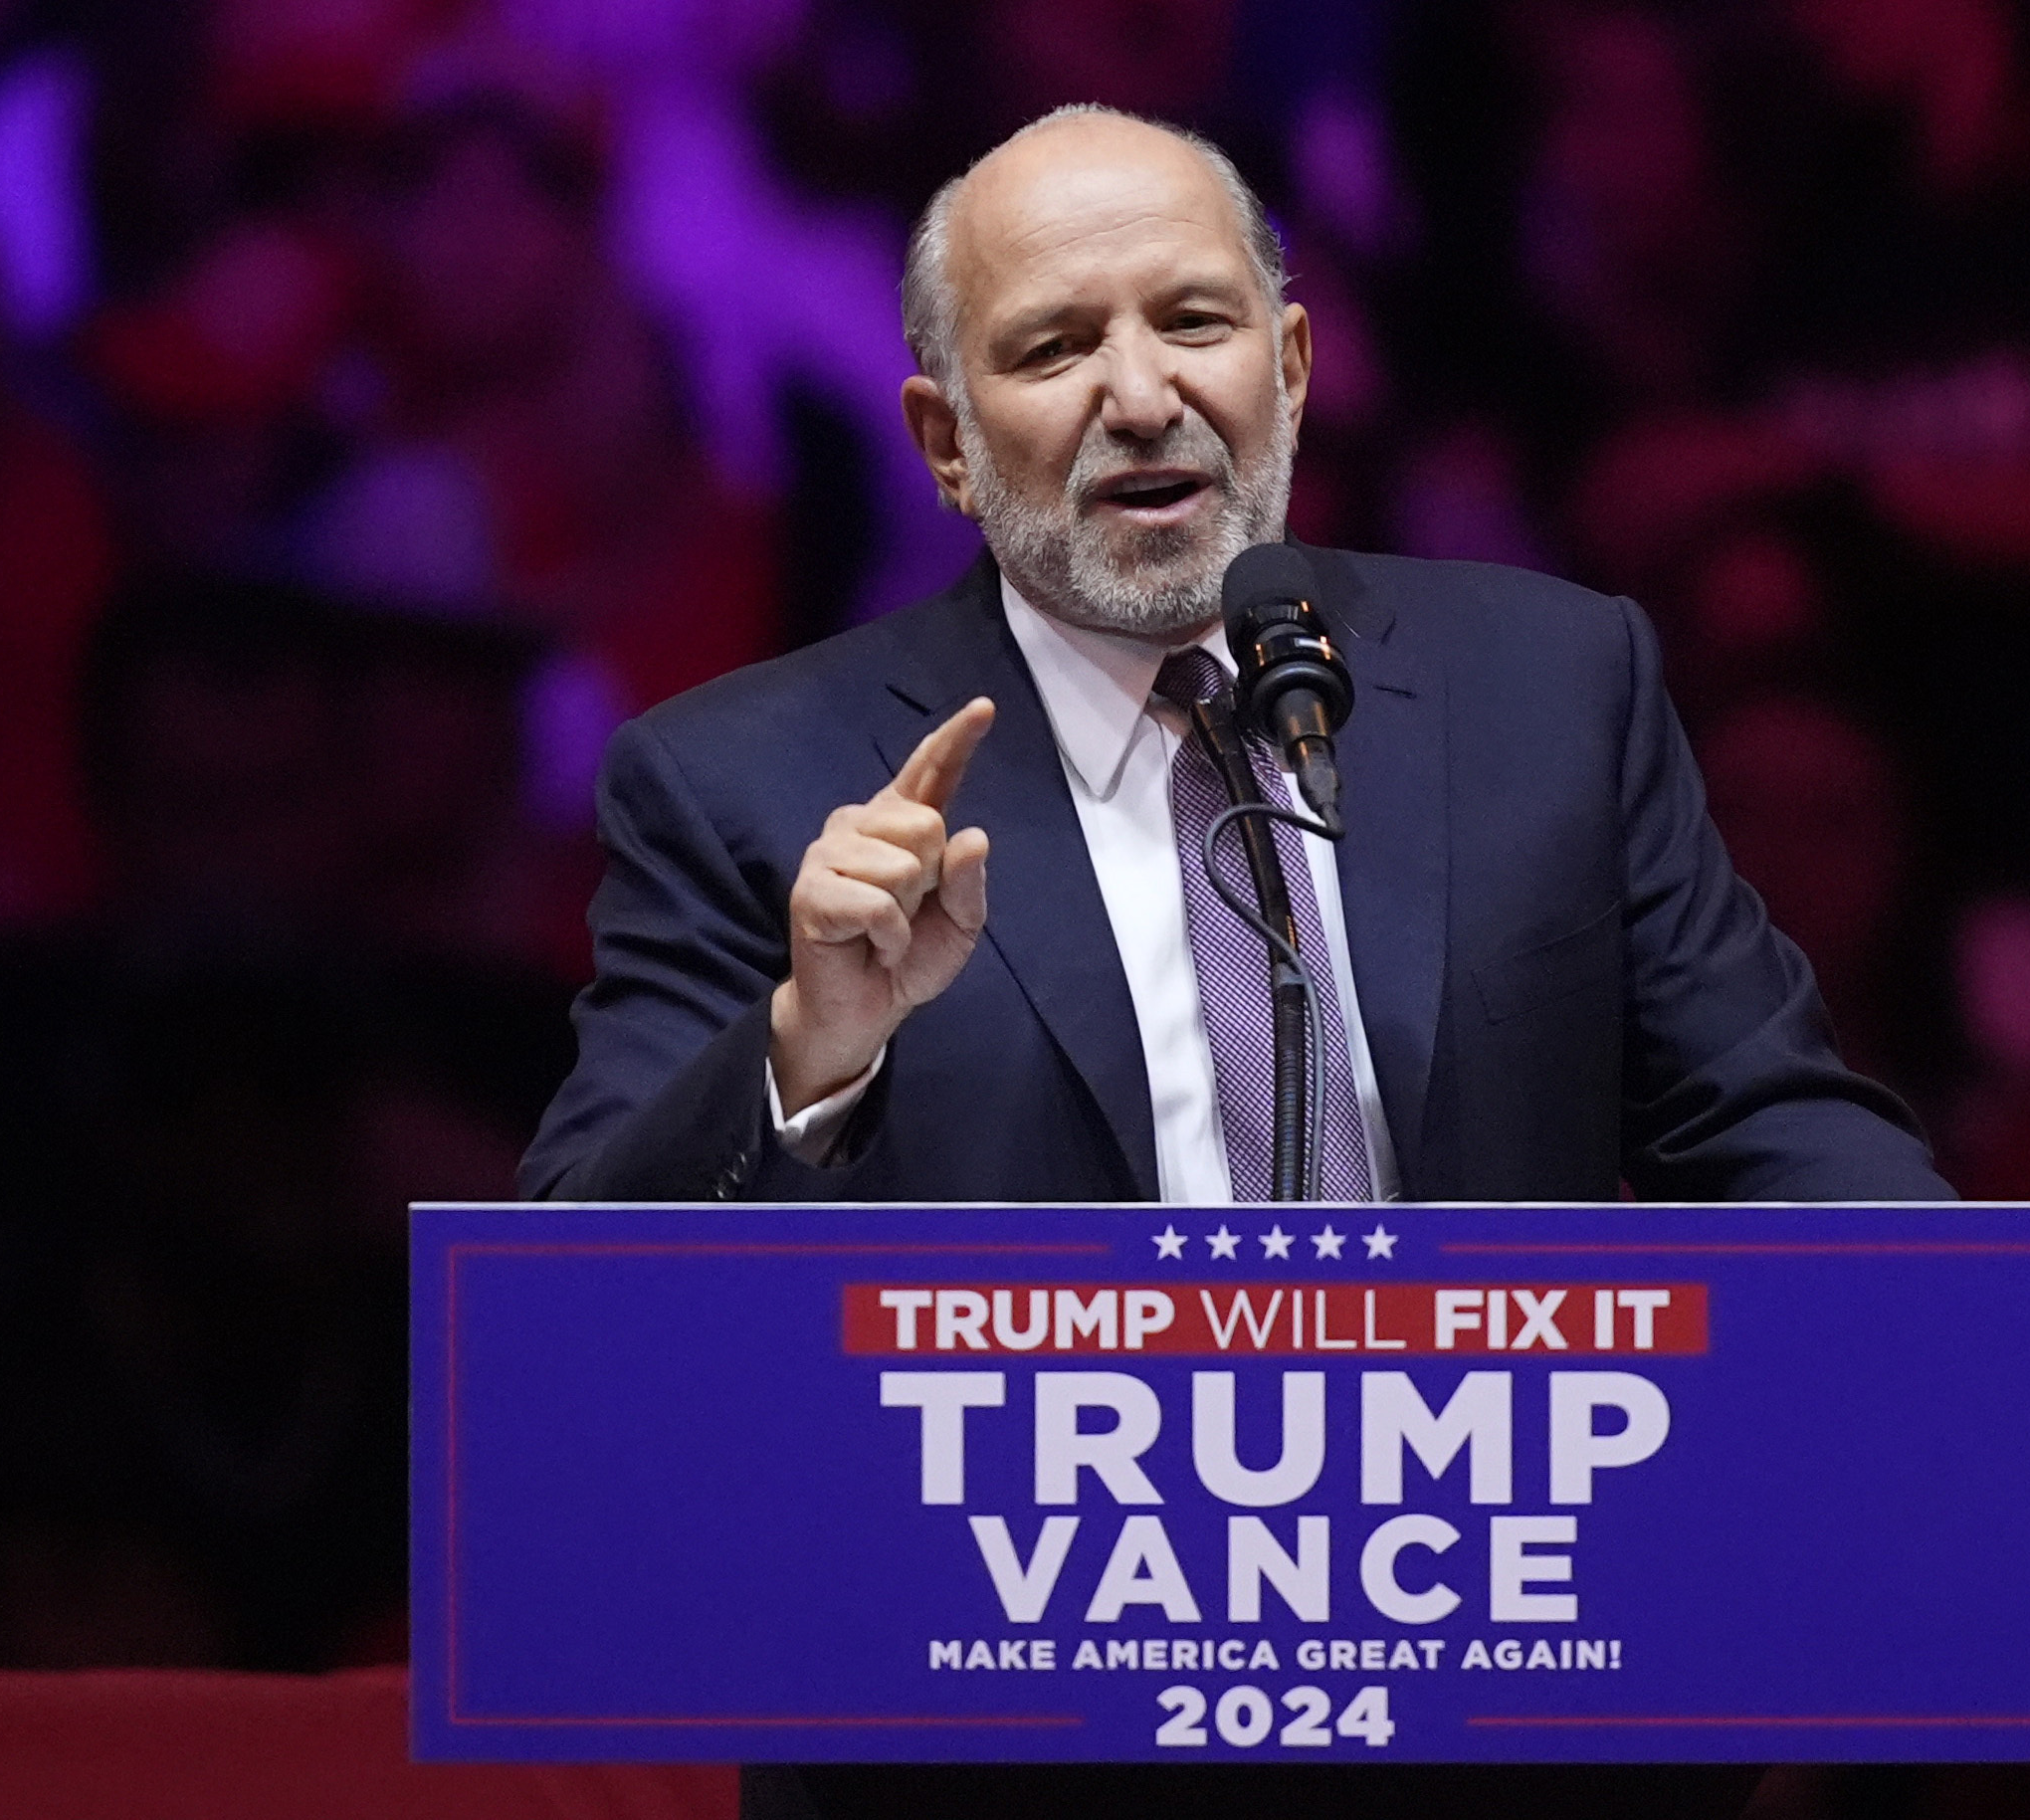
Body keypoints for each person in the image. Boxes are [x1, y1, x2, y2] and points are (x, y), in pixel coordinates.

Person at [519, 103, 1951, 1820]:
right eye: (1054, 346)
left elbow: (1770, 1120)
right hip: (1000, 1760)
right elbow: (571, 1320)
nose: (1141, 394)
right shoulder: (747, 780)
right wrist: (808, 1048)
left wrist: (1951, 1336)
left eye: (1192, 322)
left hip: (1511, 1719)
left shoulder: (1550, 688)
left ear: (1288, 359)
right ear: (946, 440)